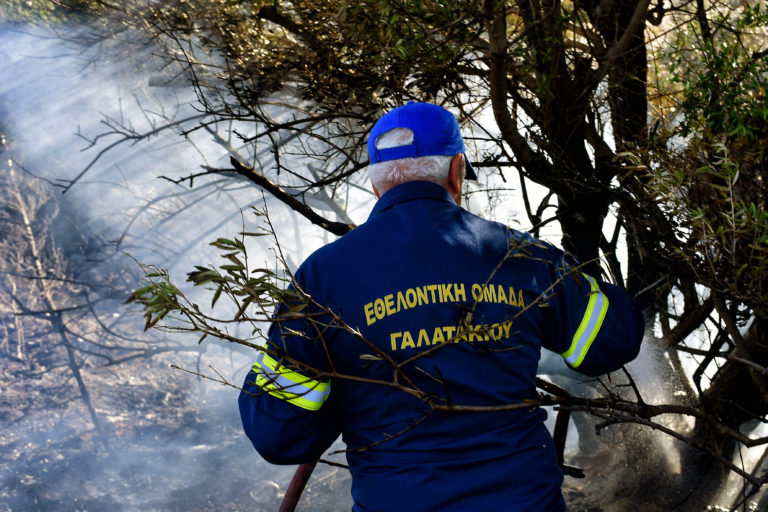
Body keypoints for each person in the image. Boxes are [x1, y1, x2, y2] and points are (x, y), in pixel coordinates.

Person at [239, 101, 644, 511]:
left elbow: (279, 434)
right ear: (457, 171)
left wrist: (345, 387)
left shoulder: (321, 279)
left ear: (377, 185)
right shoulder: (522, 256)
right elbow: (614, 340)